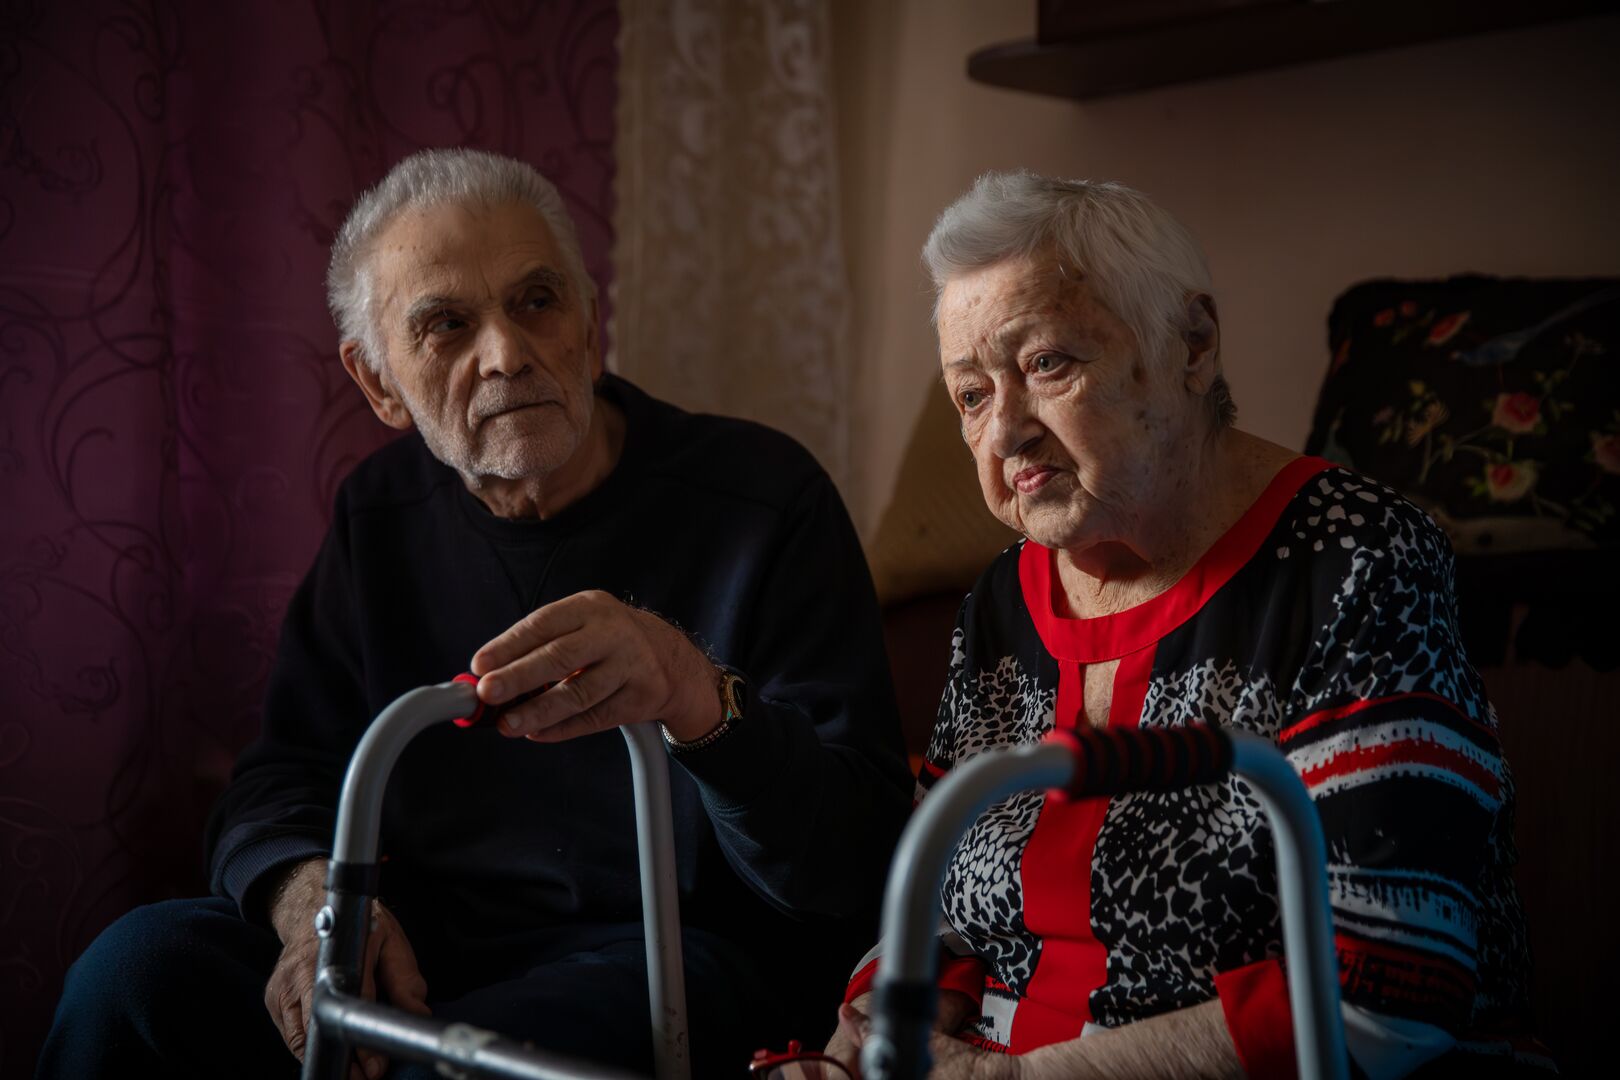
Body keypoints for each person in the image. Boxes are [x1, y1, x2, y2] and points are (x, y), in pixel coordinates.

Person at [39, 148, 913, 1079]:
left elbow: (853, 859)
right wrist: (320, 910)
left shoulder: (764, 501)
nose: (506, 351)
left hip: (672, 953)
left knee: (448, 1067)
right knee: (132, 977)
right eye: (447, 324)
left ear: (588, 321)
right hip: (425, 945)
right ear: (378, 384)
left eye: (537, 300)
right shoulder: (380, 515)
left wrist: (692, 690)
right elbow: (281, 776)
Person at [817, 172, 1546, 1079]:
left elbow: (1389, 991)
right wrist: (878, 1029)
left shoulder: (1360, 559)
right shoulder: (1004, 597)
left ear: (1192, 346)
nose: (1004, 431)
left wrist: (1017, 1079)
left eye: (1046, 364)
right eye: (970, 394)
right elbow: (943, 894)